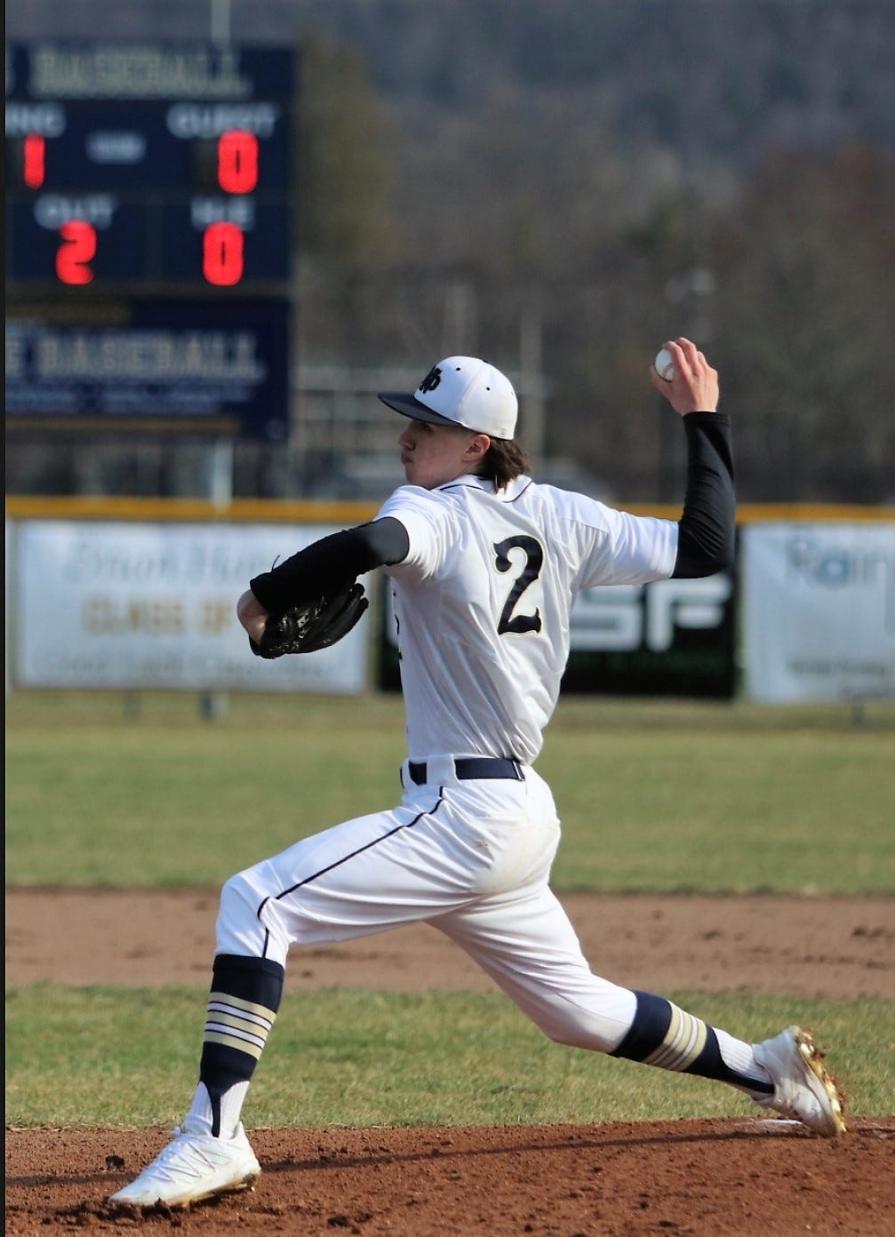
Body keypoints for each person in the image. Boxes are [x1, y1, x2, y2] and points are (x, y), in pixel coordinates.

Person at [111, 340, 845, 1210]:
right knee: (575, 1011)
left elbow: (377, 540)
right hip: (517, 811)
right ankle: (766, 1068)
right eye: (411, 421)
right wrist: (703, 420)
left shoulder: (436, 509)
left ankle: (211, 1136)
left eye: (429, 426)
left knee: (259, 901)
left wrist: (261, 595)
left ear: (477, 445)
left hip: (461, 812)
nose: (408, 437)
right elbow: (707, 543)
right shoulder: (567, 517)